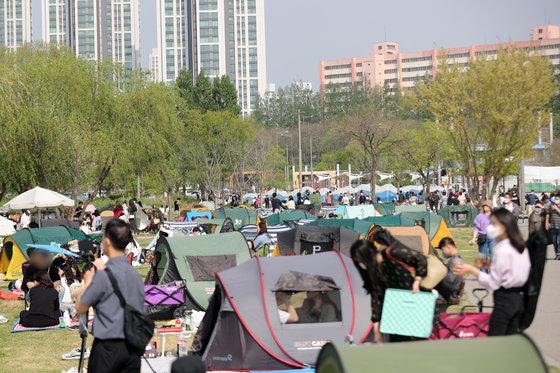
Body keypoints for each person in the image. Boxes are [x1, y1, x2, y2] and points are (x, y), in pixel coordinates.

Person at [76, 219, 144, 372]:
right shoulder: (135, 275)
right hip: (132, 347)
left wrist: (88, 281)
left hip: (108, 348)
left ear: (107, 241)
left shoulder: (103, 275)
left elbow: (80, 307)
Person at [453, 208, 530, 336]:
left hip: (504, 300)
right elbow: (511, 271)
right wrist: (488, 266)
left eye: (493, 224)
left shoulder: (501, 249)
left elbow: (494, 283)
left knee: (495, 341)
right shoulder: (520, 245)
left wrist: (472, 270)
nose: (490, 228)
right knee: (511, 341)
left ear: (504, 226)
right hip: (519, 300)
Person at [350, 238, 427, 343]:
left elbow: (420, 259)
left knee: (419, 346)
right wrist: (376, 331)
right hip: (396, 315)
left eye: (361, 261)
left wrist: (417, 282)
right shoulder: (372, 272)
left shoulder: (392, 253)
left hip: (416, 306)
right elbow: (376, 300)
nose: (361, 265)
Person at [470, 200, 493, 272]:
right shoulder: (479, 216)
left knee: (494, 254)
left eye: (486, 206)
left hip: (493, 237)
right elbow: (476, 228)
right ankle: (484, 273)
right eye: (484, 206)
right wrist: (473, 239)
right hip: (482, 237)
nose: (485, 207)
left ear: (490, 207)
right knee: (482, 256)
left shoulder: (495, 216)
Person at [546, 196, 560, 260]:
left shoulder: (556, 207)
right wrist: (546, 224)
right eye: (555, 199)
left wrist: (556, 209)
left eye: (557, 199)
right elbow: (548, 215)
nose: (556, 200)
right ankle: (557, 253)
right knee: (554, 241)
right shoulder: (551, 206)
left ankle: (558, 254)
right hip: (553, 226)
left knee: (559, 241)